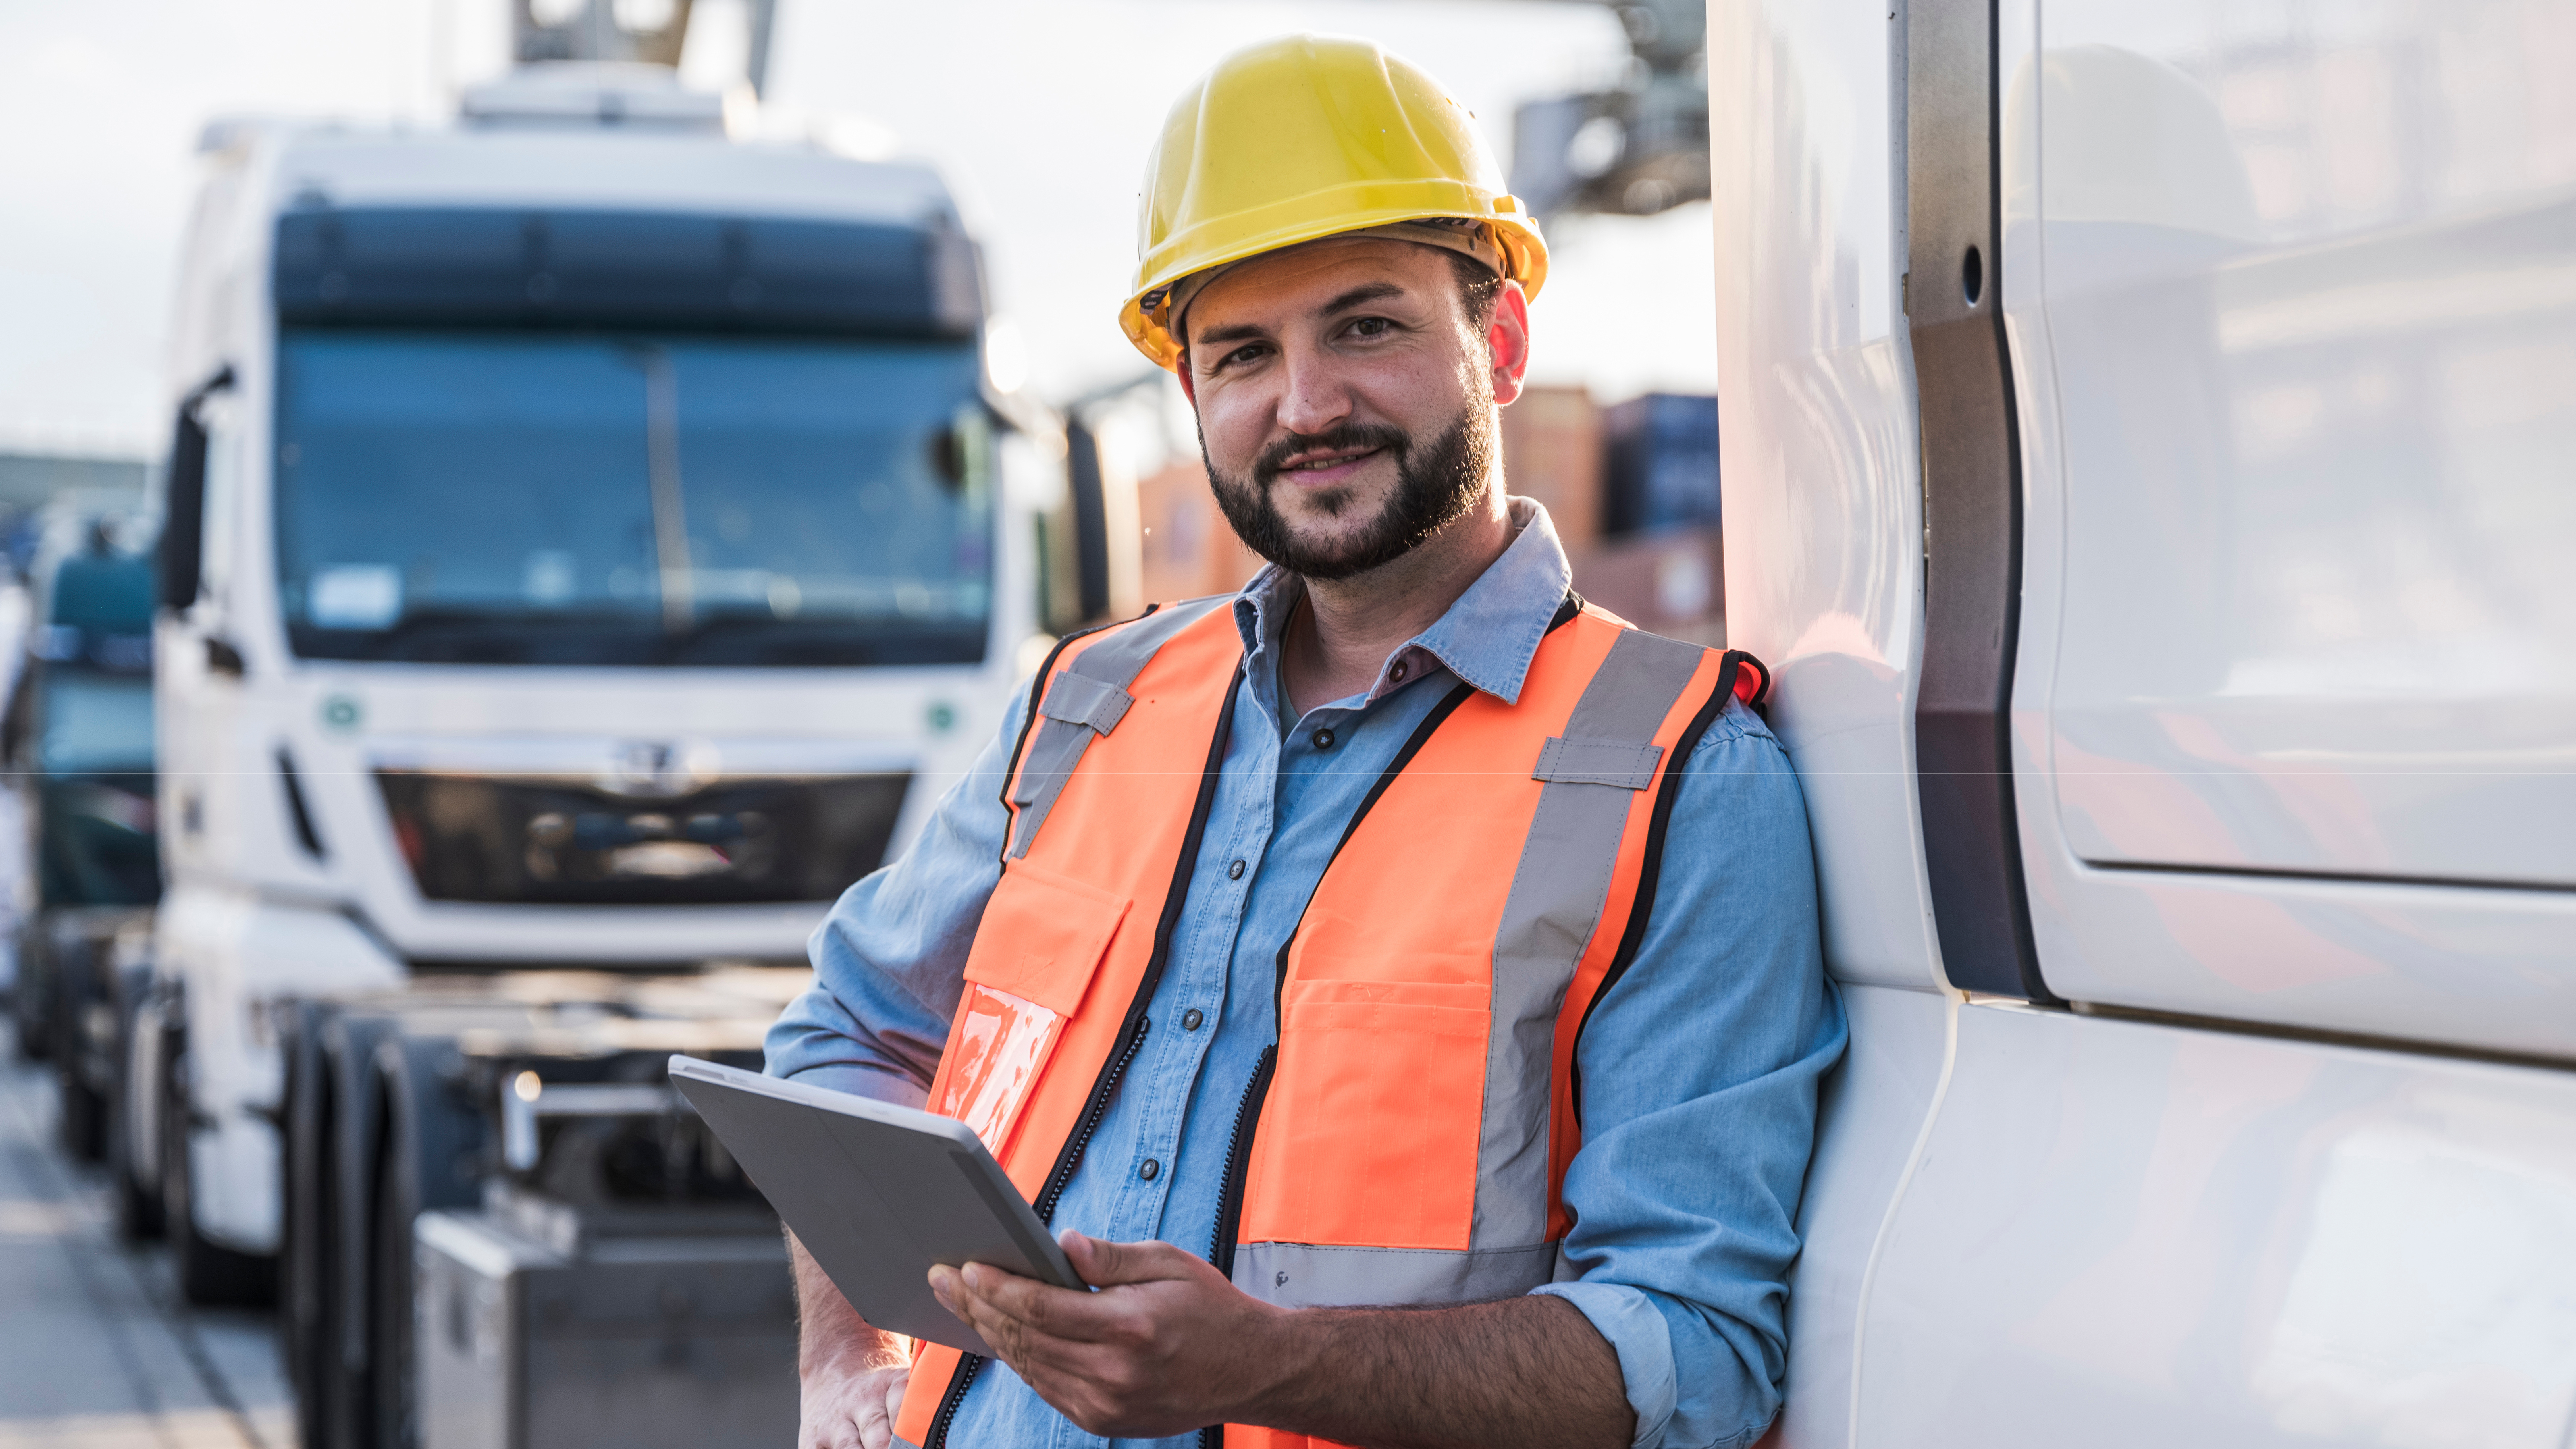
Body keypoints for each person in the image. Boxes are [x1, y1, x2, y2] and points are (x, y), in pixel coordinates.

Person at [766, 33, 1845, 1449]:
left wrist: (1267, 1371)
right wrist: (844, 1356)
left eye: (1366, 326)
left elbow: (1694, 1349)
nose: (1305, 404)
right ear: (1191, 395)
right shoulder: (1090, 703)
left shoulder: (1684, 773)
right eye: (1241, 355)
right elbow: (845, 1035)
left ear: (1499, 343)